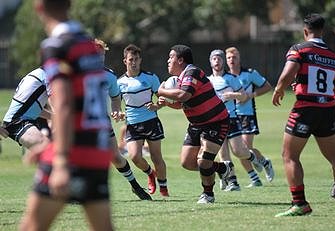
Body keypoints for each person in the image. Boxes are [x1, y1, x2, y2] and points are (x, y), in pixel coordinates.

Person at [20, 0, 114, 230]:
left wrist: (60, 158)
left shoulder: (56, 46)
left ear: (38, 8)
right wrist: (51, 143)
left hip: (72, 155)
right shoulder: (87, 44)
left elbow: (62, 104)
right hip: (98, 151)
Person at [158, 45, 261, 203]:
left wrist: (161, 91)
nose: (168, 60)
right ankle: (223, 168)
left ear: (180, 60)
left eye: (171, 57)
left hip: (216, 122)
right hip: (196, 124)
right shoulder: (180, 79)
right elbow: (181, 103)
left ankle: (208, 194)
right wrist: (167, 103)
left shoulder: (193, 72)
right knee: (187, 162)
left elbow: (184, 95)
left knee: (204, 161)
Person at [272, 13, 335, 217]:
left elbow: (288, 73)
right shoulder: (334, 57)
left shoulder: (299, 49)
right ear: (323, 31)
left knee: (290, 155)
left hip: (305, 109)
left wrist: (279, 89)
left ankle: (300, 203)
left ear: (305, 31)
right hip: (328, 110)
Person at [94, 39, 151, 200]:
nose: (100, 58)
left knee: (115, 157)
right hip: (81, 123)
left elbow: (115, 98)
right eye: (96, 54)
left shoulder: (109, 76)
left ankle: (135, 186)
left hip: (102, 122)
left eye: (102, 55)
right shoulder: (78, 74)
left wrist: (117, 110)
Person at [207, 49, 265, 191]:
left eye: (220, 58)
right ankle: (233, 182)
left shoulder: (231, 78)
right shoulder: (208, 81)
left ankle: (253, 158)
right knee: (223, 153)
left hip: (231, 118)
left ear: (223, 61)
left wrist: (232, 95)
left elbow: (244, 96)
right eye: (214, 58)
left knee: (238, 151)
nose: (217, 61)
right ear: (210, 61)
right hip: (215, 121)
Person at [115, 44, 169, 197]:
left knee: (156, 156)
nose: (134, 62)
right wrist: (118, 113)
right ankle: (150, 173)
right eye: (131, 59)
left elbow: (162, 99)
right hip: (132, 124)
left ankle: (164, 189)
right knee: (134, 156)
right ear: (125, 61)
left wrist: (156, 106)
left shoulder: (151, 78)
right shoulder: (119, 83)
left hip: (151, 121)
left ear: (140, 60)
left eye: (136, 59)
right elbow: (116, 104)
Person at [225, 47, 275, 185]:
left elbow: (267, 87)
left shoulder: (250, 74)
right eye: (229, 58)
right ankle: (254, 178)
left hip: (247, 114)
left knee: (245, 147)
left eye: (234, 57)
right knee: (238, 150)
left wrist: (250, 95)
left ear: (239, 58)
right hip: (231, 116)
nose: (231, 60)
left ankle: (265, 162)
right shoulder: (225, 77)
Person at [1, 67, 51, 151]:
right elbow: (57, 104)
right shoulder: (47, 76)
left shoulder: (38, 74)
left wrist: (55, 117)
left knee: (51, 153)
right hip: (17, 122)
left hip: (18, 121)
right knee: (50, 152)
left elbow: (34, 110)